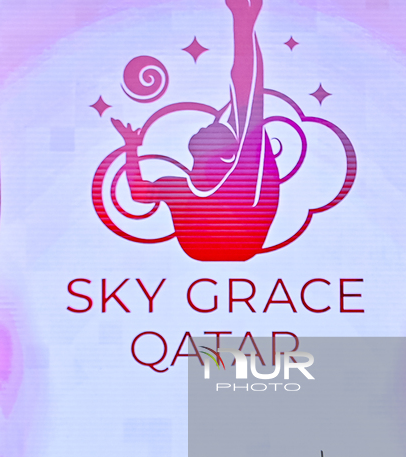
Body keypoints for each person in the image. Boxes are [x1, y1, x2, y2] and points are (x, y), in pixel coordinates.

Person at [110, 0, 279, 261]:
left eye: (214, 130)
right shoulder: (181, 186)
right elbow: (139, 193)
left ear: (223, 152)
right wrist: (131, 147)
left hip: (231, 241)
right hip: (225, 243)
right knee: (249, 113)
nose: (210, 123)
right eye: (213, 126)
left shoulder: (233, 176)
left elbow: (248, 88)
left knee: (250, 113)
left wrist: (242, 24)